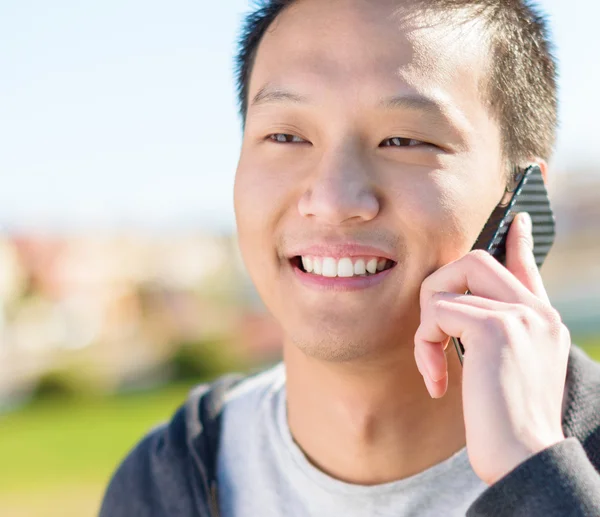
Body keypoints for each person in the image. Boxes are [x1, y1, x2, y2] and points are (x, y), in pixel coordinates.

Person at [99, 1, 600, 516]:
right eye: (286, 136)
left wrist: (537, 474)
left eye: (404, 139)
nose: (334, 199)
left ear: (524, 199)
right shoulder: (156, 487)